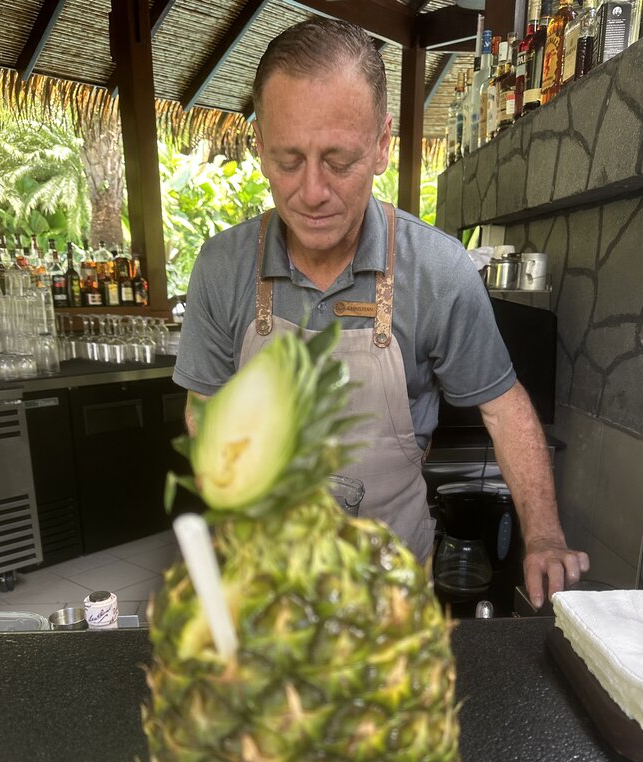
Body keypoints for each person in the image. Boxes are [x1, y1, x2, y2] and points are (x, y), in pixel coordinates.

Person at [173, 16, 589, 609]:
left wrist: (544, 536)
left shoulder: (437, 270)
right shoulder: (222, 267)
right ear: (259, 146)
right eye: (288, 160)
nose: (312, 192)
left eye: (338, 161)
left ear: (381, 145)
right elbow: (204, 405)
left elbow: (504, 407)